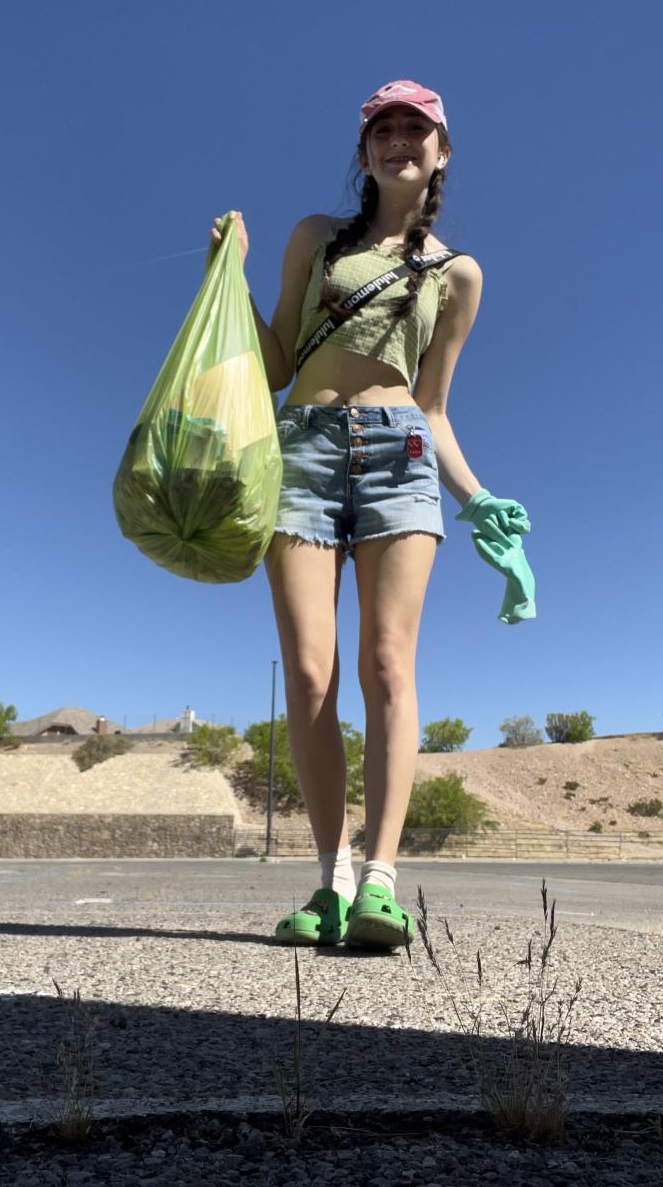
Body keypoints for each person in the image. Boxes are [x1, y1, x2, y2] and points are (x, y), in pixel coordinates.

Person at [211, 80, 529, 950]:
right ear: (363, 153)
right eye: (383, 128)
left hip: (402, 460)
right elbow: (278, 362)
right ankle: (331, 880)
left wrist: (479, 500)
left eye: (415, 128)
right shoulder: (316, 238)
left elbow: (435, 405)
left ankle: (381, 883)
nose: (399, 139)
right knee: (310, 674)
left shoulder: (458, 274)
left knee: (387, 665)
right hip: (302, 455)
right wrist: (228, 280)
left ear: (441, 151)